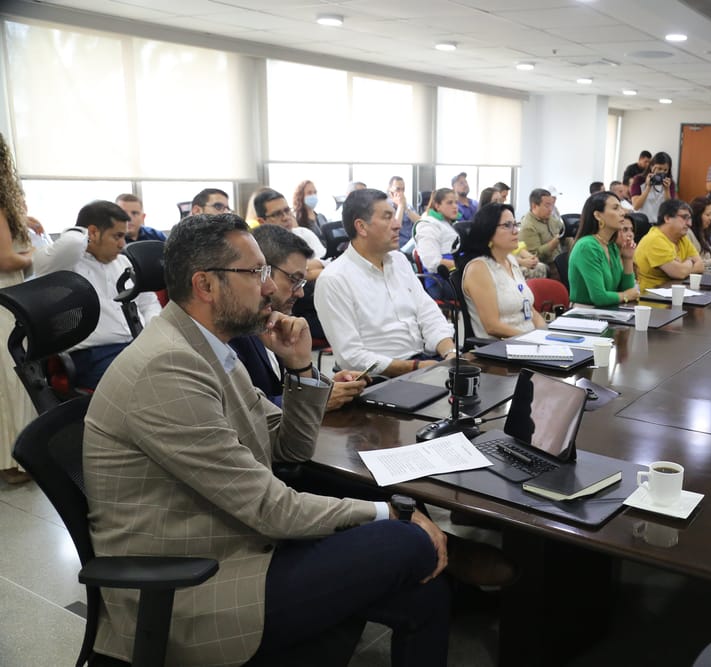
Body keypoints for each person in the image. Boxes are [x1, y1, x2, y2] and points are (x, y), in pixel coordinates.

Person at [83, 213, 450, 667]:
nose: (271, 287)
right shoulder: (168, 367)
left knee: (425, 595)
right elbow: (270, 508)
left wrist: (299, 367)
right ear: (205, 285)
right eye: (256, 273)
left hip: (237, 543)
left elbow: (287, 447)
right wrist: (391, 513)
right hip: (195, 585)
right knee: (405, 541)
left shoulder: (207, 347)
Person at [315, 189, 455, 377]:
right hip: (381, 377)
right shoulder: (334, 279)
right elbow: (351, 357)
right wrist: (415, 367)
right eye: (387, 217)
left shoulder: (399, 261)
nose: (397, 225)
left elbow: (428, 313)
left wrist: (450, 353)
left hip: (423, 362)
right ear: (361, 227)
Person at [230, 225, 365, 410]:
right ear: (263, 271)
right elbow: (246, 410)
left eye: (302, 282)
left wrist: (322, 386)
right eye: (294, 280)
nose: (300, 293)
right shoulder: (237, 329)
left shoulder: (273, 322)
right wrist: (316, 398)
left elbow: (283, 388)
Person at [34, 200, 161, 389]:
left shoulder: (125, 263)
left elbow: (149, 304)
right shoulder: (63, 266)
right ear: (92, 233)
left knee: (181, 374)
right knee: (151, 385)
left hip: (138, 347)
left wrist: (152, 337)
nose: (122, 244)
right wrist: (80, 231)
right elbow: (71, 243)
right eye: (117, 236)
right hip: (94, 356)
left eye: (124, 236)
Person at [0, 133, 35, 485]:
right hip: (4, 299)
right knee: (11, 378)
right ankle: (14, 461)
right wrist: (32, 254)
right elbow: (6, 259)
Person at [458, 203, 546, 339]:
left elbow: (531, 311)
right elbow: (492, 326)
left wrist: (545, 335)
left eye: (515, 224)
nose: (515, 231)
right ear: (488, 231)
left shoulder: (511, 261)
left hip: (528, 341)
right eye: (507, 225)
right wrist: (531, 339)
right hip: (502, 346)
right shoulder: (479, 269)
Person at [568, 191, 639, 306]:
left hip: (608, 310)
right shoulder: (587, 246)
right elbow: (599, 297)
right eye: (615, 208)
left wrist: (627, 259)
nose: (622, 213)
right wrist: (626, 295)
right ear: (598, 215)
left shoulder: (611, 245)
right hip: (584, 312)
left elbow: (626, 289)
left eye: (621, 208)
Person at [635, 198, 705, 290]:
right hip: (654, 295)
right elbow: (680, 273)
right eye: (684, 218)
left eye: (690, 218)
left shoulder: (682, 238)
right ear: (667, 218)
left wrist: (683, 267)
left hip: (678, 290)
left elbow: (700, 265)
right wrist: (690, 261)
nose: (689, 224)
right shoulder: (655, 240)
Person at [254, 188, 327, 266]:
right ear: (262, 222)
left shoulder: (303, 233)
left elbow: (326, 261)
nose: (285, 217)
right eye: (277, 214)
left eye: (287, 210)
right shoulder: (258, 247)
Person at [414, 187, 460, 273]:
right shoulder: (428, 225)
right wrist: (465, 266)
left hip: (459, 273)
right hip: (442, 277)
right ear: (437, 206)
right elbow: (432, 262)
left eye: (456, 202)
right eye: (450, 203)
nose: (455, 206)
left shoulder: (452, 224)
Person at [519, 188, 565, 268]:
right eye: (547, 206)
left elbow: (562, 229)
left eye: (551, 205)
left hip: (561, 259)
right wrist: (553, 243)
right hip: (549, 266)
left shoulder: (549, 218)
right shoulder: (528, 226)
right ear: (534, 206)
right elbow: (535, 256)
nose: (550, 209)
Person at [631, 151, 675, 220]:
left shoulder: (670, 183)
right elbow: (636, 206)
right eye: (659, 168)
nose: (662, 172)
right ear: (652, 167)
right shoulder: (639, 180)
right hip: (641, 221)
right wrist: (648, 187)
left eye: (665, 170)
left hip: (660, 222)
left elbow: (669, 209)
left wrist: (667, 190)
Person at [389, 176, 420, 248]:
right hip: (398, 246)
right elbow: (395, 227)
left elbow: (420, 222)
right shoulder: (387, 207)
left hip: (412, 245)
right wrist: (400, 206)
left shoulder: (408, 206)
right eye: (398, 189)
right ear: (391, 192)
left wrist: (406, 208)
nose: (401, 193)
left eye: (403, 190)